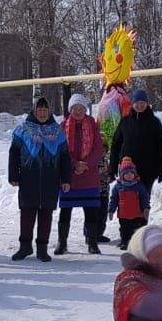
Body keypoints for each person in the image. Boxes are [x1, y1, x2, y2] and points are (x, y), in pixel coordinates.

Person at [8, 95, 71, 261]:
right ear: (34, 110)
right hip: (28, 178)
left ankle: (42, 248)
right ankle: (25, 246)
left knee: (46, 215)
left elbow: (65, 156)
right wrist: (13, 175)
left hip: (51, 179)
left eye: (45, 109)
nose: (42, 113)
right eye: (39, 109)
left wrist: (66, 179)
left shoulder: (58, 131)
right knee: (27, 213)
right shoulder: (23, 129)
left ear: (50, 111)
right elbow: (14, 153)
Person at [57, 94, 107, 255]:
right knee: (65, 211)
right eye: (75, 109)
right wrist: (74, 164)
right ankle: (62, 243)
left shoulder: (92, 124)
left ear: (85, 110)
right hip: (69, 175)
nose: (78, 111)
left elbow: (99, 149)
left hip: (89, 174)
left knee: (91, 211)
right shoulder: (63, 126)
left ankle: (92, 242)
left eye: (81, 109)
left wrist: (85, 164)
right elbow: (60, 149)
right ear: (70, 110)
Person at [109, 89, 162, 203]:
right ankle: (127, 221)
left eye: (142, 103)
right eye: (137, 103)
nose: (139, 105)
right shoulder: (125, 121)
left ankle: (142, 221)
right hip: (127, 168)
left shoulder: (154, 122)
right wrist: (113, 166)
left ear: (146, 103)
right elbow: (116, 144)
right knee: (127, 200)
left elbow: (160, 147)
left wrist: (161, 168)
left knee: (143, 200)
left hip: (148, 169)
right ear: (132, 103)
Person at [110, 157, 150, 250]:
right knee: (124, 229)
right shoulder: (118, 187)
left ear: (134, 174)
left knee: (135, 229)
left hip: (136, 214)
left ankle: (134, 243)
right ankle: (124, 242)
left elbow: (144, 198)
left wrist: (146, 208)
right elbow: (114, 200)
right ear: (122, 175)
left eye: (131, 173)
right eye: (126, 173)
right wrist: (111, 210)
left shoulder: (139, 186)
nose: (129, 175)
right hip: (123, 215)